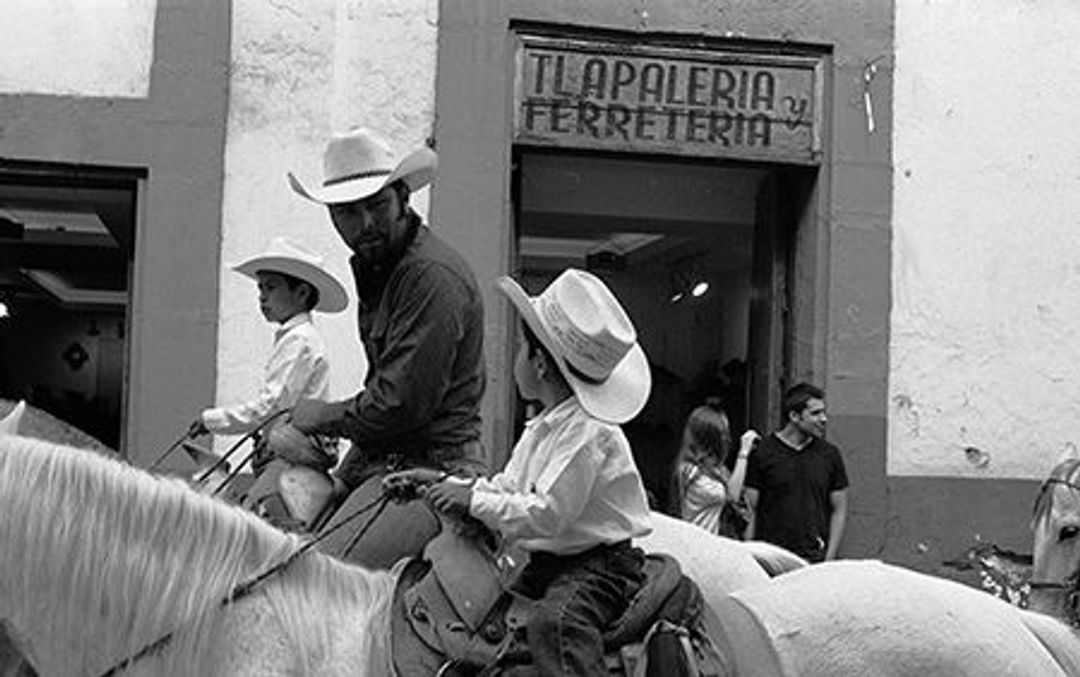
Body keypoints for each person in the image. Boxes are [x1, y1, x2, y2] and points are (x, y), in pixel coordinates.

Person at [386, 268, 653, 676]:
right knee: (488, 619)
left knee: (557, 624)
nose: (514, 360)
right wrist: (443, 485)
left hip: (599, 566)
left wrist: (471, 500)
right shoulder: (546, 425)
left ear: (540, 363)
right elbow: (508, 488)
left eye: (518, 349)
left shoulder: (587, 432)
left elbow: (546, 514)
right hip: (554, 561)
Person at [281, 127, 487, 568]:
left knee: (321, 580)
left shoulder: (430, 276)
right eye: (348, 213)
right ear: (332, 217)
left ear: (402, 198)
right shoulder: (383, 268)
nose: (365, 224)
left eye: (376, 206)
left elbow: (400, 405)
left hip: (434, 469)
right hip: (381, 461)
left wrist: (319, 415)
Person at [192, 236, 348, 460]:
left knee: (260, 497)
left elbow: (270, 409)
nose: (262, 297)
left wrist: (211, 421)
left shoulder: (299, 340)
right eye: (260, 288)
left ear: (302, 293)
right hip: (288, 449)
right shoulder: (298, 337)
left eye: (271, 288)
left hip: (291, 455)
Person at [743, 382, 849, 562]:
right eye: (815, 413)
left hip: (814, 558)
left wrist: (828, 559)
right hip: (771, 558)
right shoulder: (763, 453)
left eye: (824, 412)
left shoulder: (830, 455)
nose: (824, 419)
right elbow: (750, 510)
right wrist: (749, 556)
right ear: (794, 416)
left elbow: (839, 509)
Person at [673, 403, 758, 539]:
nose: (727, 438)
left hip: (710, 543)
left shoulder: (714, 468)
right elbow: (732, 495)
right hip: (696, 545)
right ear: (711, 436)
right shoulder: (690, 471)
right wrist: (744, 451)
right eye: (724, 432)